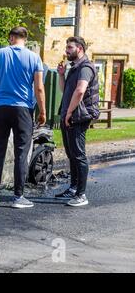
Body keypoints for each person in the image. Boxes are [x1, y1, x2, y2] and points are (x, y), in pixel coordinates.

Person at [0, 26, 46, 209]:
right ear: (25, 39)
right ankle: (18, 197)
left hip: (1, 107)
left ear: (11, 38)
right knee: (21, 152)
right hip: (23, 110)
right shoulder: (34, 58)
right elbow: (39, 88)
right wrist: (42, 112)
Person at [55, 36, 99, 207]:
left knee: (79, 155)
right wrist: (61, 75)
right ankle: (73, 188)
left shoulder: (85, 68)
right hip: (70, 115)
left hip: (78, 116)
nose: (66, 50)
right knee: (71, 154)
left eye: (70, 47)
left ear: (79, 48)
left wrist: (70, 113)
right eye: (67, 47)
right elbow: (65, 89)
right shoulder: (74, 68)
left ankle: (81, 195)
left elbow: (80, 91)